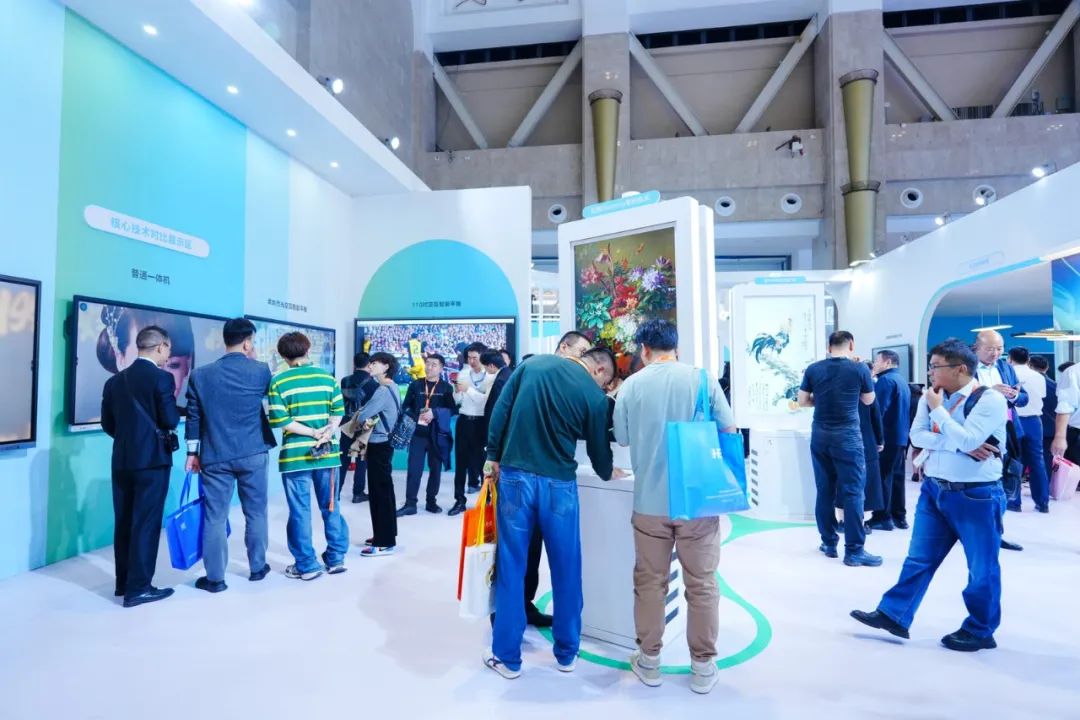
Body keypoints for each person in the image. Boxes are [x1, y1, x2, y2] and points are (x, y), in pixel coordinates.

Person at [852, 339, 1007, 653]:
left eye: (936, 366)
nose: (930, 372)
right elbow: (918, 436)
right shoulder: (931, 396)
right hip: (934, 490)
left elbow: (969, 439)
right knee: (919, 558)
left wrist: (941, 416)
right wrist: (956, 442)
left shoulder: (989, 400)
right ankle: (894, 614)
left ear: (960, 369)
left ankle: (980, 629)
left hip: (976, 495)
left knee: (982, 567)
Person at [612, 319, 736, 695]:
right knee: (702, 583)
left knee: (650, 582)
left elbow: (622, 437)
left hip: (650, 502)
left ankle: (649, 661)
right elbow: (729, 429)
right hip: (696, 502)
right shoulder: (702, 379)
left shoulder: (631, 385)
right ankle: (703, 667)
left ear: (644, 350)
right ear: (676, 348)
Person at [482, 347, 616, 679]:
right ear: (600, 371)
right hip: (559, 486)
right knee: (567, 566)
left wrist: (493, 455)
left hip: (515, 478)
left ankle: (507, 658)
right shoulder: (594, 397)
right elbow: (599, 454)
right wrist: (609, 471)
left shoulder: (533, 365)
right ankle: (567, 653)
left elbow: (500, 411)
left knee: (512, 565)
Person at [185, 318, 277, 592]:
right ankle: (257, 568)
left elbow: (193, 417)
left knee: (215, 517)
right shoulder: (260, 370)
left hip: (215, 454)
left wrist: (192, 453)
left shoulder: (200, 375)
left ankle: (215, 579)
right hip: (253, 452)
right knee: (256, 512)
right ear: (247, 342)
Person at [101, 325, 180, 608]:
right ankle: (139, 589)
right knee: (146, 524)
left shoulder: (114, 381)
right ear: (160, 347)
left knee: (124, 521)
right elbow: (170, 420)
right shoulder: (162, 378)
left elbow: (108, 424)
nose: (168, 354)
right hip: (152, 461)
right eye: (168, 349)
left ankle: (123, 583)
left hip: (122, 460)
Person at [267, 332, 349, 580]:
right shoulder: (327, 379)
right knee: (331, 506)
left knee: (299, 511)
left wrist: (312, 432)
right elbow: (338, 412)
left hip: (295, 458)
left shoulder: (279, 382)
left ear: (283, 355)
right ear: (308, 349)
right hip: (328, 453)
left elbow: (282, 421)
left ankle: (307, 565)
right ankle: (336, 559)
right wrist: (326, 432)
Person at [798, 331, 881, 567]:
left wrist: (822, 400)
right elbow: (868, 400)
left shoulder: (813, 369)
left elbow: (802, 401)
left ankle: (828, 542)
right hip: (848, 437)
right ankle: (854, 551)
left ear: (829, 346)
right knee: (853, 491)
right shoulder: (859, 369)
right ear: (851, 345)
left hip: (820, 435)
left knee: (824, 490)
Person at [972, 331, 1027, 551]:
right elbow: (960, 397)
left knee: (1003, 483)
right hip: (978, 432)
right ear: (976, 348)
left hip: (1007, 430)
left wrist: (1014, 395)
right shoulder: (966, 366)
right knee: (978, 484)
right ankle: (973, 531)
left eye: (999, 349)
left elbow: (1024, 398)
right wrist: (989, 392)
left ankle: (996, 532)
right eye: (990, 349)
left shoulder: (1006, 368)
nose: (995, 353)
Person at [353, 352, 402, 557]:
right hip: (385, 443)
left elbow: (363, 414)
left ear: (386, 366)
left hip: (379, 443)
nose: (370, 366)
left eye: (375, 363)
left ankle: (384, 542)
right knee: (385, 491)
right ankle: (385, 535)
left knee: (379, 493)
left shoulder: (382, 390)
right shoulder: (393, 386)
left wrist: (362, 415)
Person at [398, 354, 457, 516]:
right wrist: (416, 415)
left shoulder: (446, 388)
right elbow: (406, 406)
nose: (429, 367)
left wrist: (435, 413)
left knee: (435, 469)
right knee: (414, 469)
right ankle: (410, 503)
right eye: (428, 363)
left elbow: (452, 410)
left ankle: (431, 501)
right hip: (417, 434)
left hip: (436, 435)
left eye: (434, 364)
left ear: (441, 368)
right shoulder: (416, 385)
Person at [867, 349, 913, 530]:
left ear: (887, 362)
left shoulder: (885, 381)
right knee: (897, 477)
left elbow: (878, 411)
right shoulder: (901, 380)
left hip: (886, 437)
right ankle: (899, 516)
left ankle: (882, 517)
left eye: (877, 361)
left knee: (882, 477)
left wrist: (874, 436)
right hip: (900, 436)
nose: (874, 364)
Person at [1007, 347, 1049, 513]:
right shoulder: (1038, 376)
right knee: (1037, 461)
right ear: (1028, 359)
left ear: (1010, 358)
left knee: (1014, 461)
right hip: (1034, 421)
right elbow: (1042, 396)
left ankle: (1014, 501)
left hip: (1014, 421)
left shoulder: (1009, 375)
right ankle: (1043, 502)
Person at [451, 343, 492, 510]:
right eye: (469, 357)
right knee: (461, 463)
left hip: (481, 423)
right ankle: (459, 500)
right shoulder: (463, 373)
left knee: (484, 464)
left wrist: (468, 390)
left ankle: (487, 501)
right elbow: (457, 401)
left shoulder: (490, 376)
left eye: (475, 357)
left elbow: (485, 401)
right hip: (463, 421)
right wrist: (457, 391)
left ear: (483, 357)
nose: (471, 361)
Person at [340, 352, 377, 503]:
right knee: (362, 458)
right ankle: (358, 493)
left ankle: (336, 492)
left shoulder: (345, 381)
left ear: (354, 363)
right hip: (364, 424)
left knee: (343, 459)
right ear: (369, 365)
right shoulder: (374, 384)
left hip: (347, 424)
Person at [1029, 355, 1057, 476]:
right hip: (1053, 429)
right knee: (1046, 462)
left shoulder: (1028, 384)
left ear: (1029, 366)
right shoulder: (1055, 385)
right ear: (1047, 367)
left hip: (1033, 427)